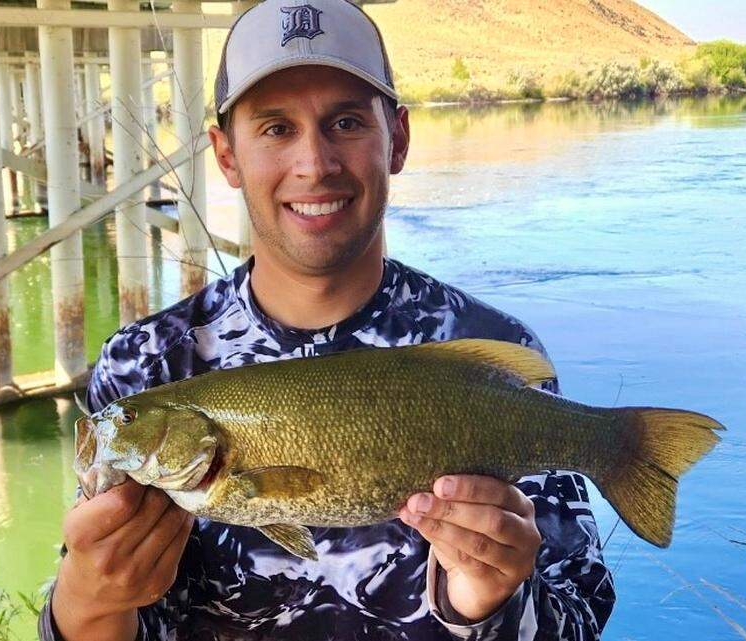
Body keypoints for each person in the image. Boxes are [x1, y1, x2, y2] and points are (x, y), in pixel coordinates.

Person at [39, 1, 615, 639]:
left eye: (344, 122)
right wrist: (86, 603)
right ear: (226, 155)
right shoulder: (144, 367)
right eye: (276, 128)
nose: (314, 164)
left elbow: (580, 617)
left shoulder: (490, 350)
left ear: (396, 138)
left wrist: (490, 601)